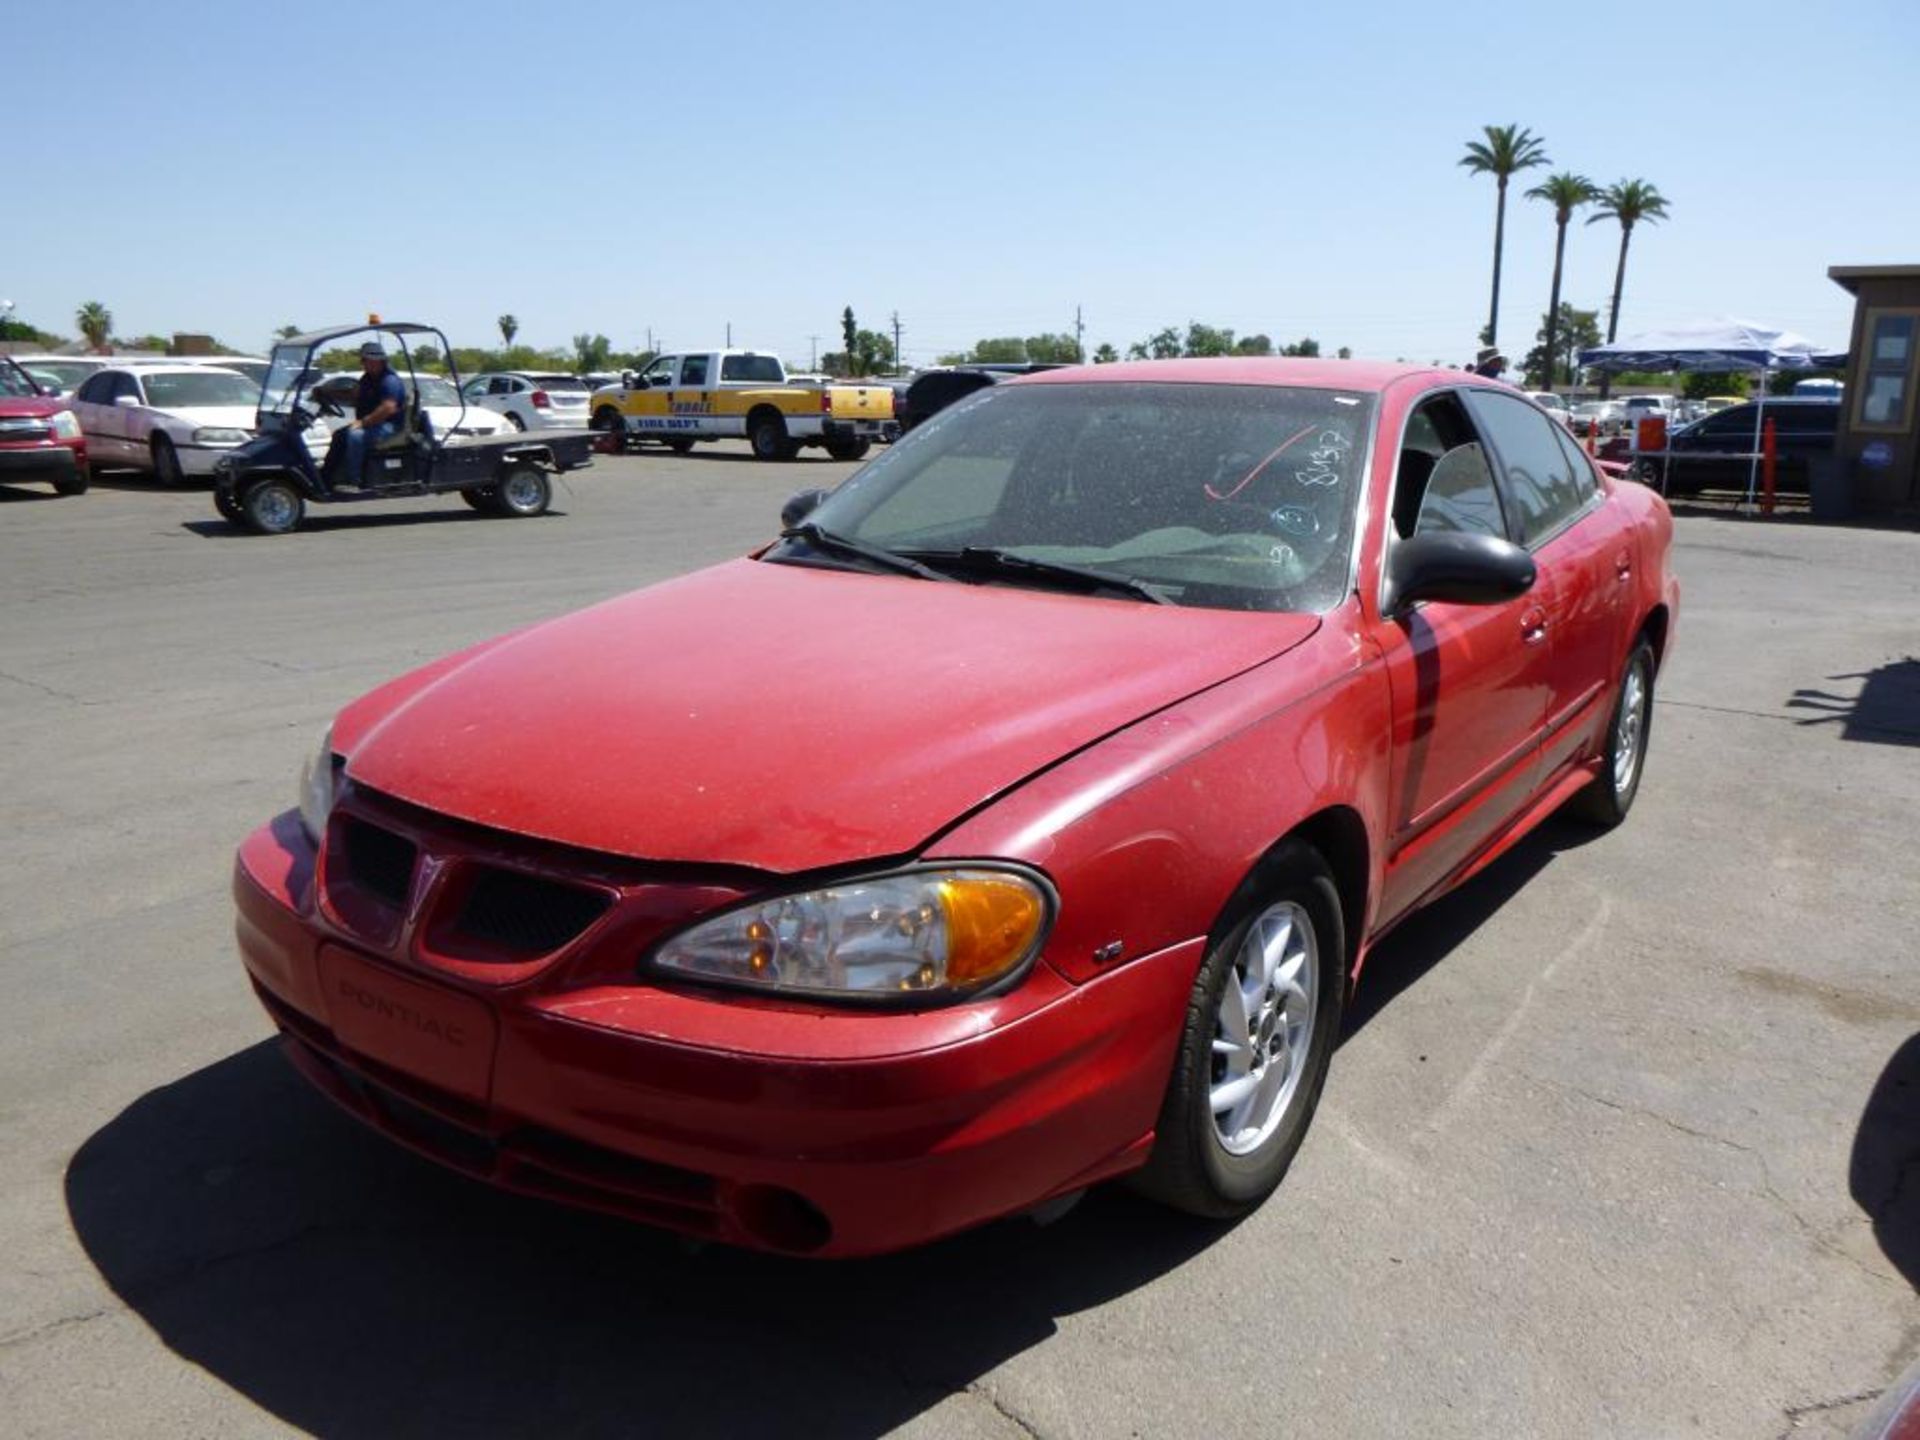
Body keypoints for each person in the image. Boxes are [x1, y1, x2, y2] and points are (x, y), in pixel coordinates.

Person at [330, 341, 408, 487]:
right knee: (339, 435)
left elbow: (388, 408)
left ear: (378, 361)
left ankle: (353, 480)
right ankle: (329, 475)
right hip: (375, 425)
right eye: (363, 360)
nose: (363, 363)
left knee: (355, 436)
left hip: (390, 427)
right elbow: (354, 396)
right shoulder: (367, 378)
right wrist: (327, 393)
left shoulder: (389, 380)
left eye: (366, 360)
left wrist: (363, 423)